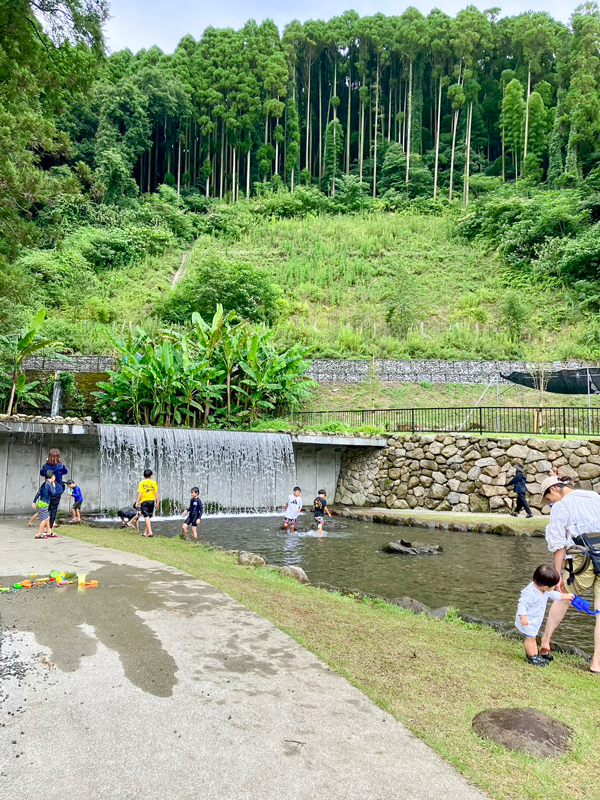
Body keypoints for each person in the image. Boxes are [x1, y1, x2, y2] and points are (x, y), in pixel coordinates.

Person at [539, 474, 600, 674]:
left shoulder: (561, 506)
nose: (550, 503)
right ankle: (597, 663)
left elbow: (558, 545)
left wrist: (557, 575)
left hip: (582, 560)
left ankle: (545, 641)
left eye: (549, 499)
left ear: (553, 489)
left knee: (563, 595)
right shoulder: (593, 497)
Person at [516, 564, 574, 666]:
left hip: (535, 620)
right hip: (527, 621)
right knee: (530, 638)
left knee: (533, 637)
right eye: (553, 586)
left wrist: (566, 596)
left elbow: (554, 595)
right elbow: (522, 604)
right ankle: (531, 657)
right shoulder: (531, 593)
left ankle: (535, 654)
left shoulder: (544, 590)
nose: (554, 588)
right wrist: (523, 617)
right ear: (546, 586)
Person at [40, 448, 68, 530]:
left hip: (47, 489)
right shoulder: (60, 466)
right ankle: (50, 526)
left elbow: (42, 473)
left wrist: (47, 463)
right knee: (53, 509)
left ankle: (45, 525)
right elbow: (65, 471)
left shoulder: (45, 466)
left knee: (45, 508)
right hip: (57, 489)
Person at [32, 471, 57, 539]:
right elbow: (53, 493)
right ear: (52, 477)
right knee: (44, 519)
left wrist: (34, 501)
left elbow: (38, 493)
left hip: (40, 503)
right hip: (44, 504)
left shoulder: (44, 484)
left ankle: (49, 531)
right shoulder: (49, 484)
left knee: (47, 518)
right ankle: (38, 534)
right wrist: (54, 486)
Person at [136, 468, 159, 538]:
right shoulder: (154, 483)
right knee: (148, 517)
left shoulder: (142, 483)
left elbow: (140, 493)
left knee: (146, 517)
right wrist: (158, 502)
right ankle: (145, 533)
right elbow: (156, 493)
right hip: (152, 501)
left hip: (144, 501)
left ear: (144, 476)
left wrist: (137, 502)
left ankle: (150, 532)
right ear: (151, 476)